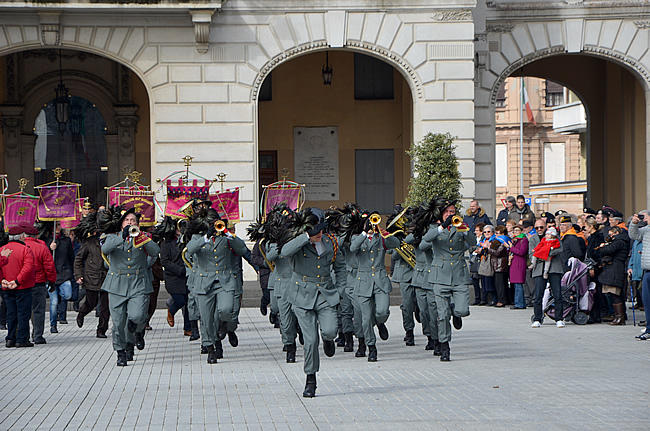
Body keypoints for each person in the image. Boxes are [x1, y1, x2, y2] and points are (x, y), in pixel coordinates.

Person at [281, 208, 344, 397]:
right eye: (315, 230)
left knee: (330, 330)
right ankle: (311, 378)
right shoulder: (298, 243)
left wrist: (339, 290)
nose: (319, 234)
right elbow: (285, 251)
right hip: (302, 295)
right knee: (310, 341)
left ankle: (329, 339)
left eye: (321, 230)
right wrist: (306, 237)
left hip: (325, 294)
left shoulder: (330, 242)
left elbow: (340, 268)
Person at [100, 206, 160, 366]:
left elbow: (155, 251)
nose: (130, 222)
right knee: (119, 322)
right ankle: (121, 351)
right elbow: (105, 250)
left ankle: (138, 332)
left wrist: (143, 238)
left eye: (133, 220)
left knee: (138, 315)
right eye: (127, 220)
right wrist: (123, 237)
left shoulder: (143, 237)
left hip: (138, 283)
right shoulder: (112, 238)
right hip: (117, 284)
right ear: (121, 224)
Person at [185, 208, 247, 364]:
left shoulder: (225, 236)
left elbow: (242, 249)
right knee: (206, 318)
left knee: (226, 309)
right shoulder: (197, 237)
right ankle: (211, 347)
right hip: (204, 282)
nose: (213, 225)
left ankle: (224, 324)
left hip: (224, 280)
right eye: (210, 223)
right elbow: (190, 250)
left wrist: (229, 234)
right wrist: (206, 236)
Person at [422, 198, 476, 361]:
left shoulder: (461, 227)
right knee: (442, 315)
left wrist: (464, 230)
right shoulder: (435, 228)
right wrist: (442, 226)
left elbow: (473, 242)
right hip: (440, 276)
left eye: (452, 212)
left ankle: (456, 312)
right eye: (447, 212)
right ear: (442, 214)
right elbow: (425, 241)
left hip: (459, 275)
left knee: (463, 310)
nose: (450, 214)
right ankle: (445, 346)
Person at [350, 212, 400, 362]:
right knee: (365, 320)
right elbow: (353, 248)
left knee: (382, 311)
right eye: (369, 222)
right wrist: (365, 233)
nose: (371, 224)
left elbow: (396, 243)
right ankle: (371, 347)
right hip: (363, 281)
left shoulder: (381, 238)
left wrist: (383, 231)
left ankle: (379, 321)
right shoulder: (356, 238)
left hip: (380, 280)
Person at [158, 217, 195, 339]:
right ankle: (171, 310)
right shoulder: (166, 243)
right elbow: (165, 261)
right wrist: (180, 270)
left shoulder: (188, 240)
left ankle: (188, 328)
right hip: (173, 277)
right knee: (180, 300)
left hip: (187, 276)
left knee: (189, 303)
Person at [74, 213, 109, 338]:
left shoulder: (110, 241)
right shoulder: (89, 243)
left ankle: (101, 330)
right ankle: (81, 313)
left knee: (106, 307)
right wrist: (78, 275)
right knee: (91, 302)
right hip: (91, 277)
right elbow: (78, 259)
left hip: (107, 277)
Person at [2, 225, 35, 348]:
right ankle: (21, 338)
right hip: (22, 287)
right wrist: (17, 281)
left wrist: (3, 280)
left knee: (11, 313)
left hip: (6, 286)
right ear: (21, 236)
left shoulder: (2, 249)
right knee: (23, 313)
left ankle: (10, 338)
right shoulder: (25, 249)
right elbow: (28, 268)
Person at [23, 223, 57, 344]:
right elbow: (49, 266)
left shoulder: (21, 246)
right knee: (38, 310)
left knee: (23, 310)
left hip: (22, 283)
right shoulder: (41, 247)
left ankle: (22, 335)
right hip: (39, 283)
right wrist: (52, 281)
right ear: (36, 235)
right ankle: (37, 335)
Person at [531, 227, 565, 328]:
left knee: (557, 294)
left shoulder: (555, 237)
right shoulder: (533, 239)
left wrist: (546, 253)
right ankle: (537, 318)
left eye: (541, 227)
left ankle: (559, 318)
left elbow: (560, 249)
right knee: (538, 295)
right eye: (537, 228)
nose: (539, 229)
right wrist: (543, 254)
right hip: (539, 269)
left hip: (554, 268)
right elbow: (531, 252)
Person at [47, 224, 74, 333]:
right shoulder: (47, 239)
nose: (57, 227)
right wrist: (50, 248)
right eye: (56, 225)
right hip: (51, 274)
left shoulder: (66, 240)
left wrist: (73, 271)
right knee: (54, 302)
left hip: (64, 272)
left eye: (59, 225)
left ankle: (60, 295)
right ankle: (53, 324)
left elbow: (71, 256)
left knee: (67, 294)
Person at [629, 212, 650, 339]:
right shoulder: (645, 230)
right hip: (647, 270)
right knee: (647, 302)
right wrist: (634, 223)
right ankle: (649, 330)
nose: (643, 219)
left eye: (645, 216)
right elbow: (634, 235)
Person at [584, 217, 605, 324]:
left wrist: (592, 267)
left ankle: (596, 315)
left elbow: (595, 254)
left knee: (595, 292)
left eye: (586, 226)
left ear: (591, 226)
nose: (584, 228)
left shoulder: (597, 237)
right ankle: (595, 315)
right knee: (594, 292)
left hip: (595, 268)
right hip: (593, 266)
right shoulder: (592, 237)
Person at [508, 224, 528, 309]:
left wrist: (511, 248)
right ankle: (520, 303)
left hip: (519, 263)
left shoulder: (524, 240)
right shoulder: (515, 240)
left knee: (518, 283)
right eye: (514, 231)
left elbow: (522, 252)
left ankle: (519, 303)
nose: (515, 232)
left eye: (517, 230)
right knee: (516, 284)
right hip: (514, 263)